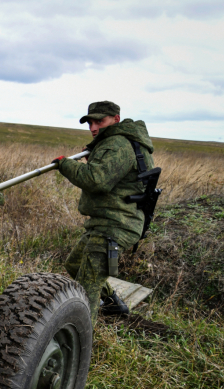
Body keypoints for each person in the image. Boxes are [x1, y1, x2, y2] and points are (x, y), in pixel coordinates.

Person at [53, 101, 155, 323]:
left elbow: (96, 180)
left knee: (86, 288)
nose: (93, 128)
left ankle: (80, 343)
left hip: (115, 225)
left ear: (116, 119)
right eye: (90, 122)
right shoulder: (122, 141)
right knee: (74, 264)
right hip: (107, 221)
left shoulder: (117, 144)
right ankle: (114, 305)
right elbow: (113, 177)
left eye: (100, 121)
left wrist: (65, 165)